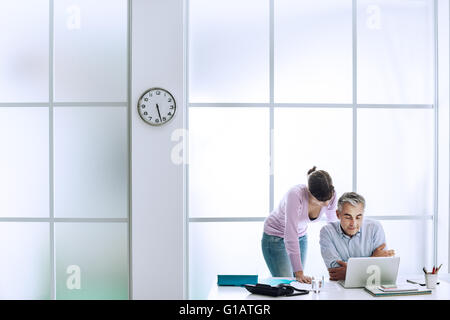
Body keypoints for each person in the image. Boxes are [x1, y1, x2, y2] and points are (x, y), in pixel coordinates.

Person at [262, 166, 338, 283]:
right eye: (321, 200)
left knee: (299, 283)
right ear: (309, 192)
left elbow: (332, 224)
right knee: (287, 283)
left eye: (329, 198)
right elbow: (290, 233)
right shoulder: (295, 195)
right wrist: (299, 272)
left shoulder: (331, 194)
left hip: (301, 236)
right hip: (275, 237)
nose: (326, 203)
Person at [319, 192, 395, 281]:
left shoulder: (375, 227)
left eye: (358, 217)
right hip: (340, 289)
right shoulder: (327, 232)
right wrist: (373, 260)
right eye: (348, 217)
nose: (353, 224)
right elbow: (335, 271)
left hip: (371, 285)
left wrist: (349, 272)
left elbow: (382, 267)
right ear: (338, 214)